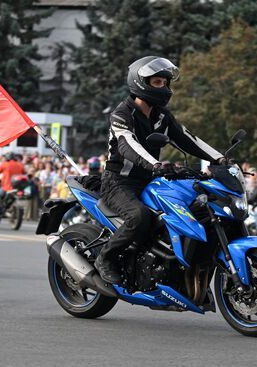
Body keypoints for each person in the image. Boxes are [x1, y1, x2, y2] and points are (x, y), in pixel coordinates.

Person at [95, 56, 226, 284]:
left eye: (166, 83)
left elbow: (188, 139)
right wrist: (155, 164)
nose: (164, 88)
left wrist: (221, 158)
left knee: (194, 206)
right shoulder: (122, 114)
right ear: (140, 82)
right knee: (139, 216)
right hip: (119, 182)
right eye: (157, 82)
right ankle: (105, 258)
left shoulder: (162, 115)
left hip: (150, 181)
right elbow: (128, 145)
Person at [0, 153, 24, 217]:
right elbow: (23, 174)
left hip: (7, 187)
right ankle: (8, 209)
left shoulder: (5, 164)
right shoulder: (20, 165)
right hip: (17, 188)